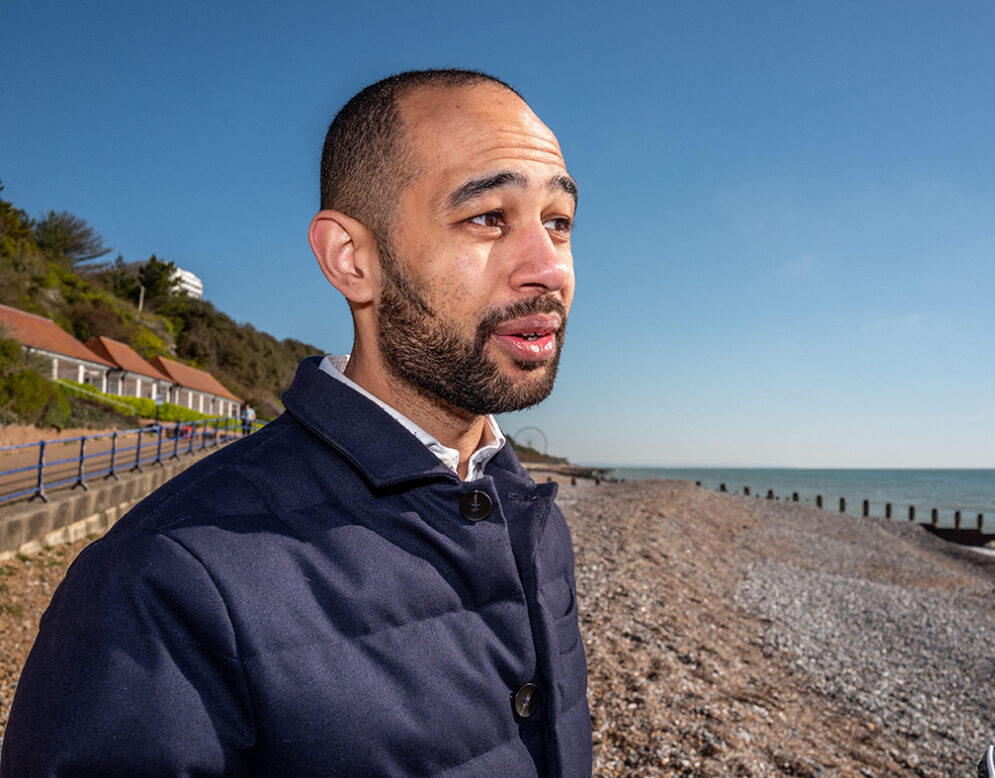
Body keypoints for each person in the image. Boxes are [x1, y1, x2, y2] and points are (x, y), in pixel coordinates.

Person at [0, 69, 591, 777]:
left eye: (558, 222)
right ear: (352, 260)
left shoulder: (530, 517)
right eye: (488, 217)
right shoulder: (161, 582)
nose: (550, 268)